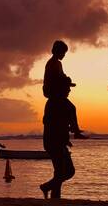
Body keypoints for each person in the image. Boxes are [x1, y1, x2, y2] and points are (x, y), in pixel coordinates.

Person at [40, 40, 87, 199]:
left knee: (64, 171)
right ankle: (48, 190)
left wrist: (65, 138)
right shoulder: (52, 65)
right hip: (53, 141)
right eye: (67, 89)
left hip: (57, 140)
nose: (69, 91)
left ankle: (50, 191)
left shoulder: (55, 64)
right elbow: (53, 124)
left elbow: (59, 123)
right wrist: (65, 81)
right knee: (63, 171)